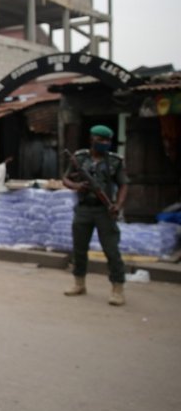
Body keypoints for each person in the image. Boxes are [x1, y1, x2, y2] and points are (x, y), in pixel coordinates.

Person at [62, 125, 129, 306]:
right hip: (84, 209)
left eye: (108, 140)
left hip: (104, 210)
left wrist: (117, 205)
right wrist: (77, 186)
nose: (105, 143)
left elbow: (123, 184)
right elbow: (65, 178)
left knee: (111, 250)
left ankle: (117, 289)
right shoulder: (80, 157)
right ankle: (79, 283)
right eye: (101, 140)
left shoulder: (115, 161)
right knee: (79, 248)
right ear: (92, 139)